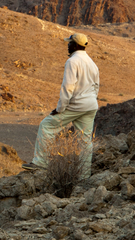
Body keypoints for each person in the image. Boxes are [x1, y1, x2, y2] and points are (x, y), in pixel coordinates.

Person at [22, 33, 100, 173]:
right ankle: (84, 175)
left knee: (46, 126)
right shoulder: (92, 63)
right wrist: (90, 100)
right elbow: (96, 86)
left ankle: (41, 162)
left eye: (69, 43)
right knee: (85, 141)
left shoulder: (72, 62)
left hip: (76, 105)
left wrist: (60, 108)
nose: (68, 46)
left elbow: (68, 87)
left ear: (76, 45)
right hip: (91, 105)